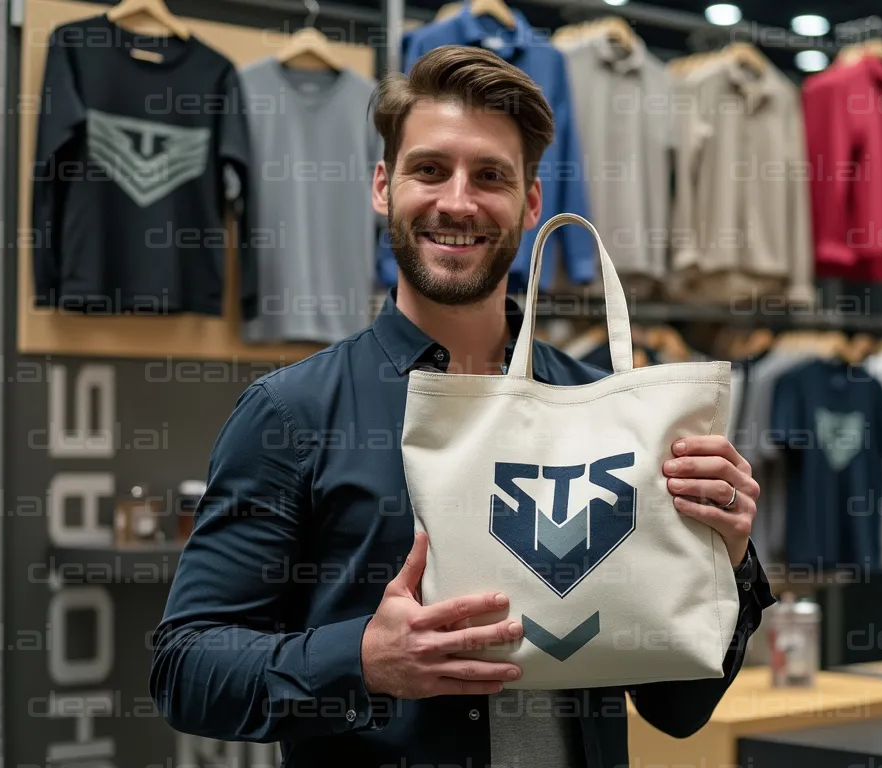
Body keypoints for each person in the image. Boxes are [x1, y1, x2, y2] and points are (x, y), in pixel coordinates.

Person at [149, 44, 773, 767]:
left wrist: (726, 556)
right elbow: (186, 668)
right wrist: (363, 661)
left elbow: (676, 709)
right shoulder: (291, 416)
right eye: (429, 169)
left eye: (490, 177)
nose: (457, 201)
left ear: (530, 202)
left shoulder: (608, 412)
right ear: (383, 186)